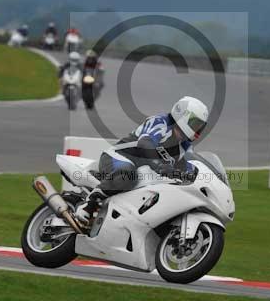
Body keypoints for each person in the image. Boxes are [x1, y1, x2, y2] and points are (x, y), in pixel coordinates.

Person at [75, 96, 209, 224]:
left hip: (142, 173)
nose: (197, 129)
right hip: (118, 157)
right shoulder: (161, 122)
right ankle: (88, 205)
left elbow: (187, 166)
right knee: (127, 174)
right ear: (183, 114)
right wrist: (160, 165)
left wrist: (200, 177)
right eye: (195, 124)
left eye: (200, 127)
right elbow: (145, 143)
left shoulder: (184, 146)